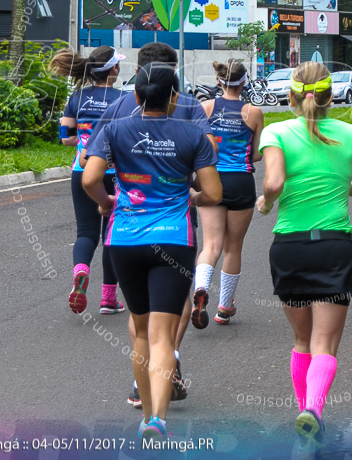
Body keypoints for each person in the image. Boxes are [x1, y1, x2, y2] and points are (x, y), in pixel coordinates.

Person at [83, 63, 223, 441]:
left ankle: (146, 410)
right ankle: (157, 419)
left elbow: (89, 177)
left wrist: (108, 203)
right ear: (174, 96)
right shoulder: (192, 134)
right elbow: (214, 194)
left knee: (140, 331)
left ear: (137, 96)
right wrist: (192, 195)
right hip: (174, 239)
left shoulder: (113, 130)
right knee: (163, 336)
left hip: (124, 240)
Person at [256, 62, 352, 451]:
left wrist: (265, 202)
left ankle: (305, 415)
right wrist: (340, 183)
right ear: (332, 96)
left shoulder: (276, 131)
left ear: (291, 95)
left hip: (290, 247)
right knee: (324, 344)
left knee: (301, 340)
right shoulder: (351, 134)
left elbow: (275, 182)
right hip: (333, 246)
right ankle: (313, 410)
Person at [49, 46, 126, 315]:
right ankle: (108, 299)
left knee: (86, 233)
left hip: (82, 171)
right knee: (111, 236)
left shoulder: (77, 97)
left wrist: (83, 140)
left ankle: (80, 271)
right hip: (115, 173)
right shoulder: (123, 99)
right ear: (114, 69)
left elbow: (65, 136)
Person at [192, 59, 264, 327]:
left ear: (220, 81)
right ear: (244, 82)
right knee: (233, 247)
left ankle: (200, 289)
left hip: (210, 179)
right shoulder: (253, 113)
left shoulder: (205, 107)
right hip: (241, 181)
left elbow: (196, 148)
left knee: (211, 244)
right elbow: (256, 154)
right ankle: (224, 307)